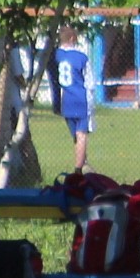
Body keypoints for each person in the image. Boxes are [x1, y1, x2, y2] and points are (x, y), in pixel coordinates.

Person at [47, 33, 97, 175]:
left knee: (76, 135)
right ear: (72, 38)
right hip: (81, 99)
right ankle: (78, 170)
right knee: (82, 134)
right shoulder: (81, 57)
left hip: (65, 101)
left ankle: (83, 163)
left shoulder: (55, 56)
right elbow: (90, 82)